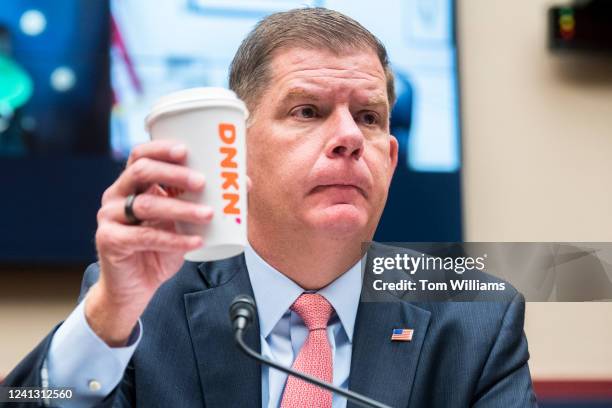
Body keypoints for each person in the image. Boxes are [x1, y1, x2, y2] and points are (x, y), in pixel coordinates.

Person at [4, 8, 538, 408]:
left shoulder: (475, 318)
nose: (350, 138)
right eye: (308, 111)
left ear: (391, 160)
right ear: (235, 152)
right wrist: (108, 316)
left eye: (371, 118)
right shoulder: (142, 306)